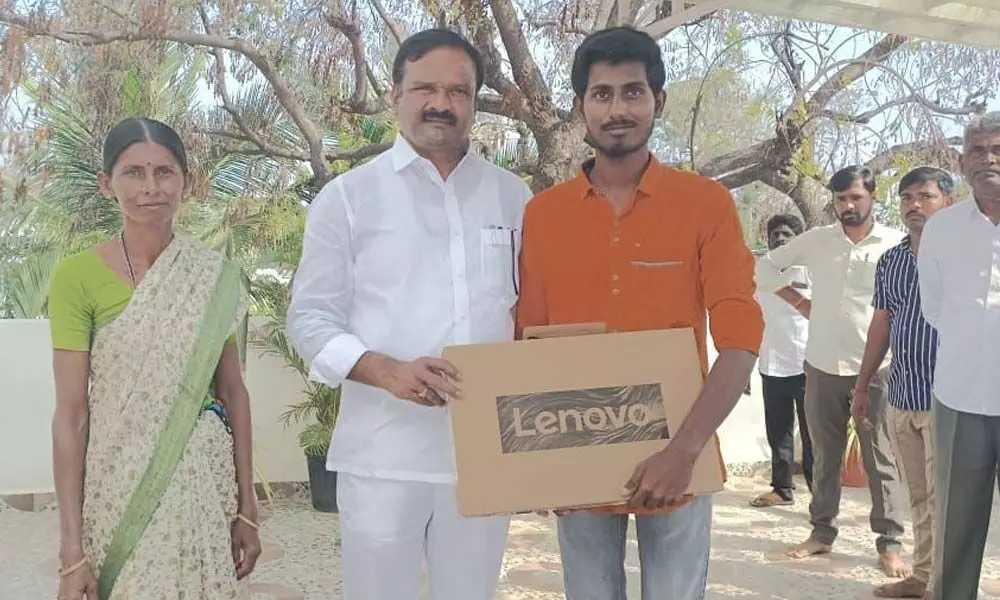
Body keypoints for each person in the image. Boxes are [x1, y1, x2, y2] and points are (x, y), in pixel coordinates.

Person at [516, 26, 764, 600]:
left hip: (683, 451)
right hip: (577, 454)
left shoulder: (706, 204)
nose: (617, 109)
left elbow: (740, 339)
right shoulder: (544, 216)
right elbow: (530, 343)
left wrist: (684, 451)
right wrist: (538, 463)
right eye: (601, 94)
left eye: (633, 92)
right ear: (581, 107)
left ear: (659, 101)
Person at [286, 28, 532, 600]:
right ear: (395, 94)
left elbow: (527, 316)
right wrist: (386, 371)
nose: (441, 103)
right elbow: (310, 318)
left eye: (458, 90)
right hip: (382, 455)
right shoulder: (348, 198)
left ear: (475, 101)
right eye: (424, 87)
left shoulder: (513, 197)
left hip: (483, 458)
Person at [48, 117, 260, 600]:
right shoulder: (76, 278)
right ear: (107, 184)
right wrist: (70, 550)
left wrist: (248, 507)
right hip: (116, 493)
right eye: (134, 173)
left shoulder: (215, 278)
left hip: (202, 493)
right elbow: (72, 416)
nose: (151, 188)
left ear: (186, 181)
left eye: (165, 172)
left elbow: (233, 392)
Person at [756, 165, 910, 576]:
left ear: (873, 197)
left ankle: (890, 541)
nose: (848, 206)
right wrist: (801, 304)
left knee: (881, 459)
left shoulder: (896, 243)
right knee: (824, 456)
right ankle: (822, 533)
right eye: (841, 199)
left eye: (856, 197)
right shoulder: (818, 241)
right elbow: (763, 269)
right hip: (822, 365)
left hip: (879, 369)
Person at [852, 167, 954, 599]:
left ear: (947, 201)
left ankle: (949, 583)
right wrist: (861, 386)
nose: (915, 205)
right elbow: (882, 324)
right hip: (903, 394)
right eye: (907, 197)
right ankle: (924, 576)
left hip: (949, 398)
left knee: (945, 499)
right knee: (918, 495)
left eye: (925, 196)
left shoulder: (964, 256)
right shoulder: (892, 260)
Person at [918, 112, 1000, 600]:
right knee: (957, 529)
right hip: (960, 396)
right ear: (962, 160)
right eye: (977, 149)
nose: (988, 158)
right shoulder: (943, 229)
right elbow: (934, 306)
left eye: (998, 148)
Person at [750, 214, 813, 508]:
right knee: (778, 432)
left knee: (814, 436)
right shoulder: (760, 274)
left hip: (808, 366)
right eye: (774, 234)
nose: (779, 239)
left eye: (786, 234)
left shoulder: (812, 271)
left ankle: (821, 498)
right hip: (771, 364)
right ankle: (782, 489)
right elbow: (752, 320)